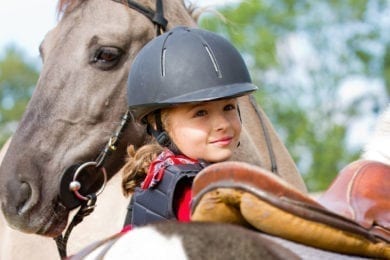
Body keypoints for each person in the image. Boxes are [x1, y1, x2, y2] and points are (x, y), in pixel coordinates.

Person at [121, 26, 258, 227]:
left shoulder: (160, 179)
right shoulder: (192, 193)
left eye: (228, 107)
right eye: (200, 113)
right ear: (159, 126)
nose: (222, 124)